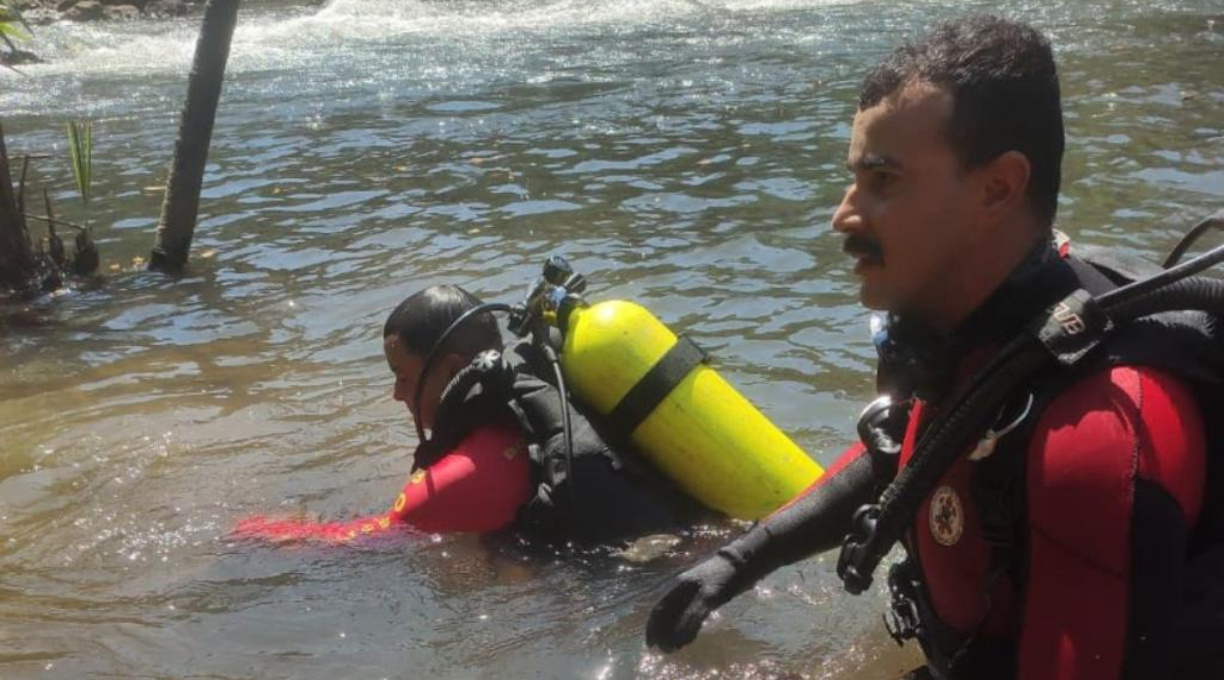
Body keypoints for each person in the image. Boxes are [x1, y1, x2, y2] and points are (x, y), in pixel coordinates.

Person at [645, 15, 1220, 680]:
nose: (842, 215)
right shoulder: (986, 325)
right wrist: (744, 559)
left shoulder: (1095, 443)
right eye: (853, 178)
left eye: (883, 181)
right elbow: (915, 447)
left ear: (998, 188)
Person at [235, 284, 690, 545]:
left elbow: (356, 544)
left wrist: (253, 532)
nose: (396, 394)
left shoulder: (449, 485)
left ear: (453, 371)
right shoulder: (544, 392)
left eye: (403, 377)